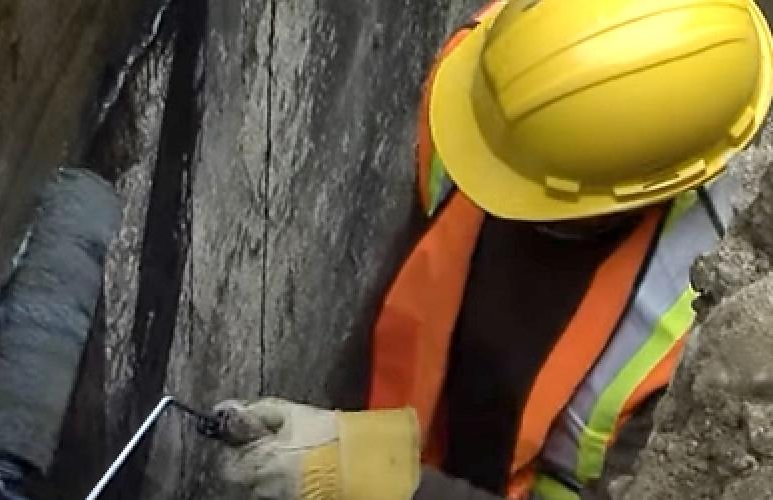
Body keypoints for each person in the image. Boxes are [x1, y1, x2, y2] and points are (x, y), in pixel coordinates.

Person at [215, 0, 773, 499]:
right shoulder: (500, 78)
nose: (494, 187)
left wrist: (385, 481)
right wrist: (349, 437)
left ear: (650, 187)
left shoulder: (700, 342)